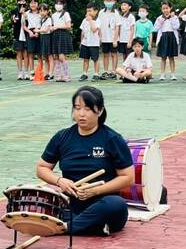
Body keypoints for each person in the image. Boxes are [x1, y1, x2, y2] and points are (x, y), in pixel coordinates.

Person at [37, 86, 134, 236]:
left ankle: (65, 228)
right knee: (30, 206)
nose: (81, 114)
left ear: (100, 111)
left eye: (87, 109)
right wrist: (60, 181)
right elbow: (42, 168)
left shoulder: (112, 139)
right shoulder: (62, 137)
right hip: (72, 204)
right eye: (77, 108)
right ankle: (90, 227)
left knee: (116, 205)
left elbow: (127, 178)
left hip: (103, 202)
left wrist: (95, 190)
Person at [153, 1, 180, 81]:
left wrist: (171, 18)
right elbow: (155, 28)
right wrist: (160, 23)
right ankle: (162, 74)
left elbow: (176, 27)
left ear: (170, 8)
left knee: (171, 57)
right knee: (163, 57)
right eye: (163, 8)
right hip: (163, 38)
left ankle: (172, 74)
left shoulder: (174, 17)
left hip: (172, 37)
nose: (165, 10)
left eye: (167, 8)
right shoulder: (159, 18)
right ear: (161, 9)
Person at [51, 0, 73, 82]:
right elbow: (52, 26)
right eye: (56, 3)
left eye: (60, 3)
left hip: (63, 35)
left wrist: (57, 27)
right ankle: (58, 75)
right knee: (56, 56)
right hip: (55, 36)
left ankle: (67, 75)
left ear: (64, 4)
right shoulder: (53, 15)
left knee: (61, 57)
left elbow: (68, 26)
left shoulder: (66, 14)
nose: (58, 5)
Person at [99, 0, 120, 80]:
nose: (108, 2)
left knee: (114, 54)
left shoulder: (116, 13)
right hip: (104, 38)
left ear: (114, 2)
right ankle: (105, 71)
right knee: (105, 54)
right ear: (104, 2)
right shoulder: (101, 12)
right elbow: (99, 25)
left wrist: (115, 39)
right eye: (107, 1)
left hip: (113, 38)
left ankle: (114, 71)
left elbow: (117, 26)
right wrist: (99, 37)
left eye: (110, 1)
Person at [79, 3, 101, 82]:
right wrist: (81, 42)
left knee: (95, 59)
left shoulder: (97, 20)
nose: (88, 13)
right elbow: (82, 31)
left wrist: (90, 20)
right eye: (87, 11)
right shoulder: (84, 20)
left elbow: (94, 29)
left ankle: (96, 74)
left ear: (96, 11)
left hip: (94, 43)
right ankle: (84, 74)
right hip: (85, 43)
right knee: (85, 59)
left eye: (90, 11)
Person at [11, 0, 29, 80]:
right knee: (19, 54)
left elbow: (29, 23)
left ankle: (26, 72)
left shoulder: (29, 11)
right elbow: (14, 22)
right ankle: (20, 72)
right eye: (20, 1)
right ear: (17, 2)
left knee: (26, 54)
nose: (22, 3)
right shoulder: (14, 11)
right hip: (18, 35)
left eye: (24, 1)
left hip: (26, 35)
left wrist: (24, 14)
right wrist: (19, 13)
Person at [23, 0, 41, 77]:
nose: (33, 5)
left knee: (40, 54)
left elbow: (44, 24)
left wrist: (38, 32)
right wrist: (30, 32)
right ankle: (32, 72)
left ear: (38, 4)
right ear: (29, 4)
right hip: (30, 33)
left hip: (39, 33)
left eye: (35, 3)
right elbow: (24, 26)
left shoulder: (41, 13)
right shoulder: (26, 13)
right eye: (31, 3)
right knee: (30, 54)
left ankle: (40, 72)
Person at [37, 3, 53, 80]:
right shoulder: (41, 20)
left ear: (47, 11)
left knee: (50, 56)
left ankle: (51, 73)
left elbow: (47, 29)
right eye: (40, 11)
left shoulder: (49, 19)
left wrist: (38, 30)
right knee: (45, 56)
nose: (42, 12)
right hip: (42, 37)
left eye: (44, 11)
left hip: (48, 37)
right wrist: (37, 32)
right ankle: (46, 73)